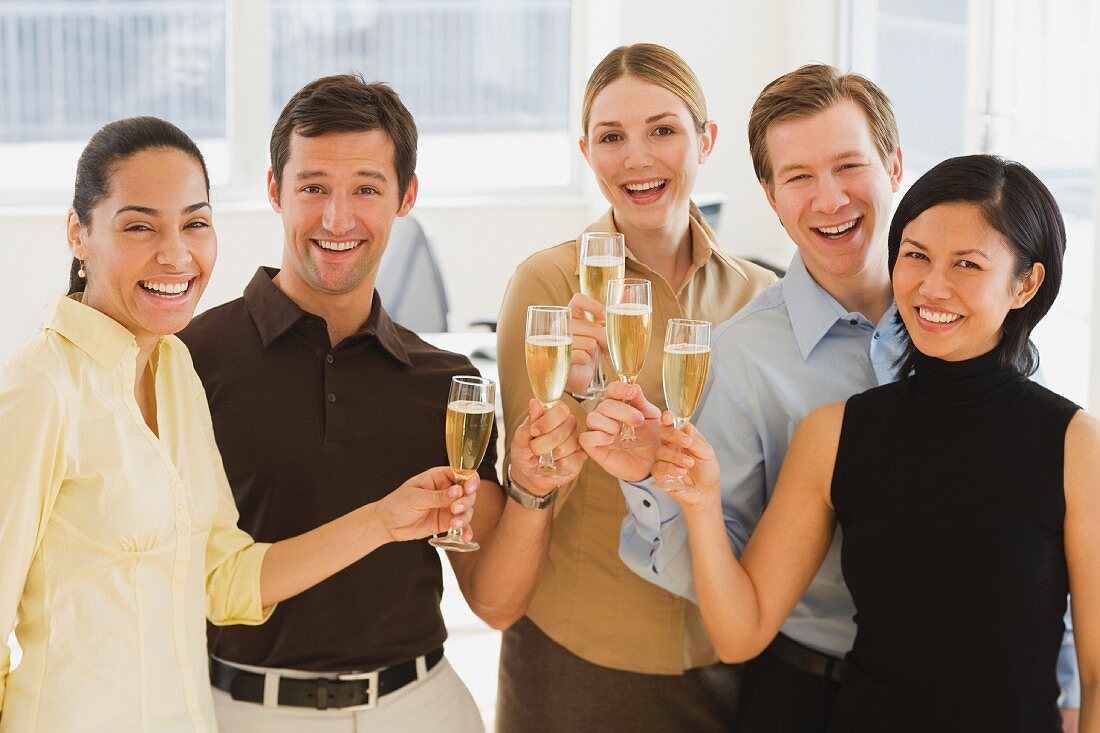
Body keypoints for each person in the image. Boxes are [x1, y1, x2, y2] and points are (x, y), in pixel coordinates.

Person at [582, 65, 1080, 731]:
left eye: (849, 166)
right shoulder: (742, 358)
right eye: (798, 177)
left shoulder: (986, 328)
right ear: (770, 193)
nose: (829, 199)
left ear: (894, 164)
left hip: (993, 691)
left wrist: (1066, 684)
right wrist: (658, 480)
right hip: (815, 689)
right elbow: (725, 579)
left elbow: (1042, 535)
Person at [0, 116, 476, 733]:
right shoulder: (39, 388)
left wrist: (384, 520)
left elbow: (225, 579)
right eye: (140, 226)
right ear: (78, 233)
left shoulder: (174, 370)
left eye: (194, 223)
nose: (176, 254)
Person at [178, 75, 585, 732]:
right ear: (274, 189)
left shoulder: (443, 381)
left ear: (406, 196)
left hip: (420, 708)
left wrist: (533, 493)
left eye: (366, 188)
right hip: (242, 711)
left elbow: (495, 601)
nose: (337, 219)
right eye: (313, 187)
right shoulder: (190, 359)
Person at [494, 44, 776, 732]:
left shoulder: (761, 298)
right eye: (612, 137)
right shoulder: (547, 286)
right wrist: (571, 399)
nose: (637, 158)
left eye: (663, 130)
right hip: (581, 658)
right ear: (587, 152)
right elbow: (524, 484)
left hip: (728, 657)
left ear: (705, 140)